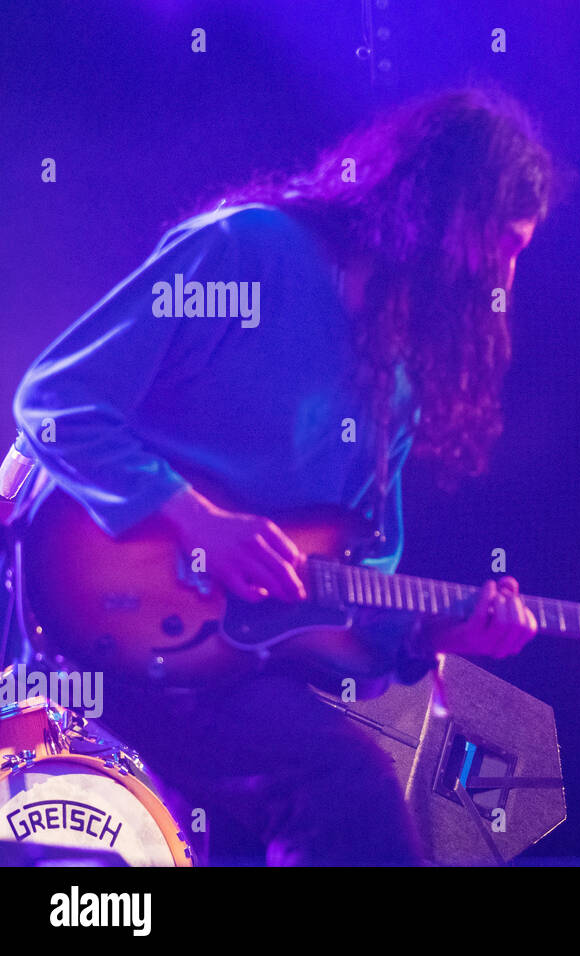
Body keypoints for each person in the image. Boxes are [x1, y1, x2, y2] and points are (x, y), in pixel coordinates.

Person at [7, 87, 552, 864]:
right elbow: (55, 399)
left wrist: (436, 631)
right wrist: (199, 524)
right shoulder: (247, 248)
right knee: (345, 787)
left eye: (516, 255)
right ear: (432, 213)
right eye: (492, 245)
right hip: (102, 620)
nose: (499, 278)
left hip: (233, 666)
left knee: (352, 793)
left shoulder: (397, 371)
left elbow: (352, 580)